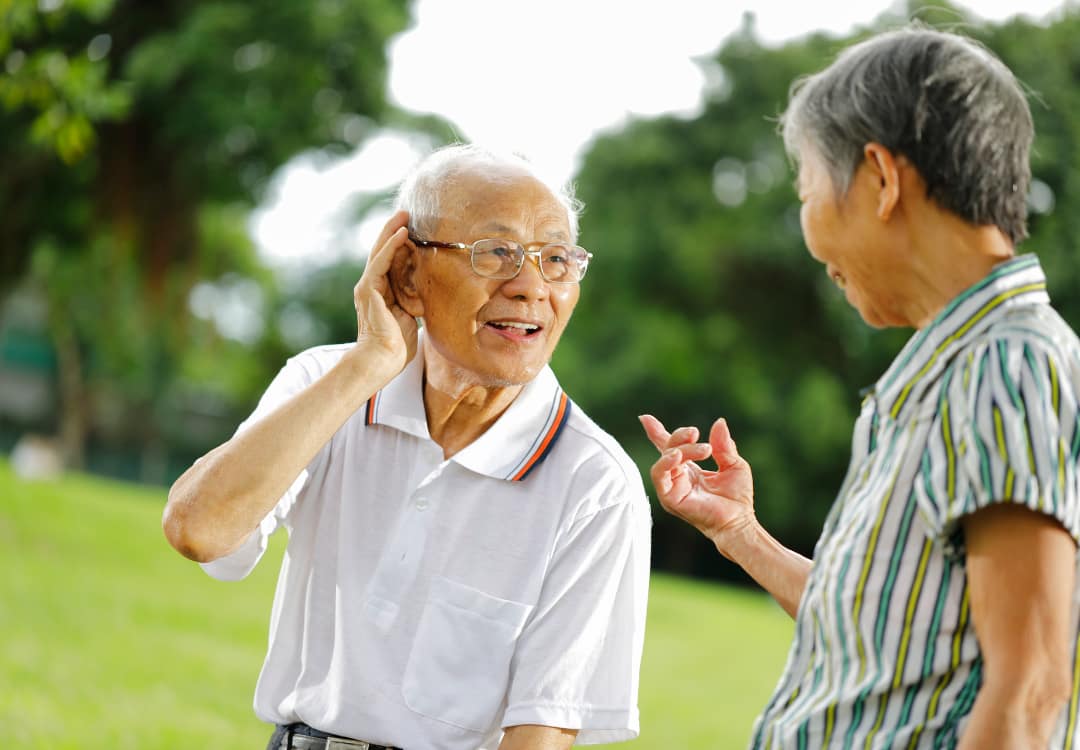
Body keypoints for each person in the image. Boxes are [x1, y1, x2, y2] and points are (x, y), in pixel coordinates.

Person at [641, 26, 1080, 749]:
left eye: (808, 190)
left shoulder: (1005, 365)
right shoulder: (956, 368)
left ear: (880, 178)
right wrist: (743, 537)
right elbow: (891, 636)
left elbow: (1029, 689)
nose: (809, 236)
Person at [164, 143, 651, 750]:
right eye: (494, 252)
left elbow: (540, 733)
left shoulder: (595, 482)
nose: (530, 287)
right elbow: (198, 530)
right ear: (408, 274)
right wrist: (368, 362)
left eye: (556, 259)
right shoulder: (327, 384)